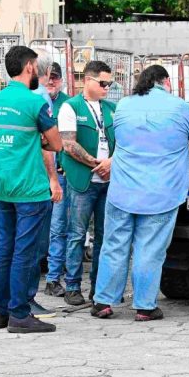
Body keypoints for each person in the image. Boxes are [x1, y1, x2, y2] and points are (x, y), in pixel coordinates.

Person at [92, 65, 189, 321]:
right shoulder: (178, 106)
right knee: (149, 249)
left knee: (114, 245)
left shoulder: (124, 105)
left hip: (122, 190)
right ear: (166, 81)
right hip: (161, 193)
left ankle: (103, 301)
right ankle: (145, 307)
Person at [0, 46, 63, 334]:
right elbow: (56, 143)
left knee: (4, 248)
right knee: (24, 251)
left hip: (2, 185)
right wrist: (41, 142)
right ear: (30, 67)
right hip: (29, 188)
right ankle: (20, 314)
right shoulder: (35, 104)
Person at [57, 60, 115, 306]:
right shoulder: (70, 107)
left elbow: (123, 141)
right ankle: (72, 287)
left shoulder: (112, 108)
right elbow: (68, 145)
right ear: (88, 80)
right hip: (84, 180)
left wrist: (111, 162)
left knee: (105, 236)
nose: (107, 88)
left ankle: (98, 289)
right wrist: (97, 164)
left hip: (107, 180)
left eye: (110, 83)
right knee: (76, 235)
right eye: (103, 83)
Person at [40, 62, 72, 298]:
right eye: (48, 76)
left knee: (61, 227)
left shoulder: (68, 105)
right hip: (39, 174)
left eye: (56, 77)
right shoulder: (37, 100)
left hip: (61, 174)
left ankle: (54, 278)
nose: (51, 81)